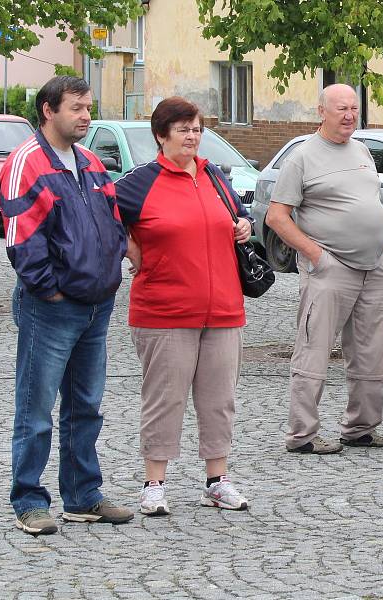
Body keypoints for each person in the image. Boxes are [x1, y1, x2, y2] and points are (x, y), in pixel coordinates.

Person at [0, 76, 134, 535]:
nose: (85, 115)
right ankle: (29, 500)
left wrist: (110, 272)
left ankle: (82, 496)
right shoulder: (26, 164)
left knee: (86, 406)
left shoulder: (92, 162)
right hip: (50, 309)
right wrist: (49, 289)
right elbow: (22, 241)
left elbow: (114, 224)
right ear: (48, 110)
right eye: (76, 107)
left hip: (97, 306)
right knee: (35, 410)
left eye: (88, 107)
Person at [114, 97, 251, 515]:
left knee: (218, 399)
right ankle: (154, 483)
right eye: (183, 129)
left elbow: (237, 216)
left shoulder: (214, 177)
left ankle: (217, 478)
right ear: (161, 135)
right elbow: (104, 220)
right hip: (164, 311)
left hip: (223, 307)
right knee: (164, 398)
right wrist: (132, 250)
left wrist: (244, 224)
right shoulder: (139, 182)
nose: (192, 137)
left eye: (196, 129)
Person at [266, 83, 383, 455]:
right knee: (314, 350)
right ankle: (302, 434)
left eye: (354, 108)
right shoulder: (303, 157)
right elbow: (277, 217)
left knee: (372, 351)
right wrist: (317, 256)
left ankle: (361, 428)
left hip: (373, 266)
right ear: (321, 111)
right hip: (330, 266)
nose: (348, 115)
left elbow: (369, 202)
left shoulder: (362, 151)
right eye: (340, 108)